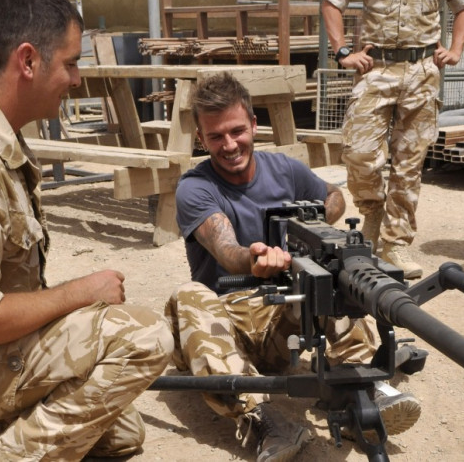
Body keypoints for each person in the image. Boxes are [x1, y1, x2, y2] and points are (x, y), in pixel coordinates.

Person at [0, 0, 173, 461]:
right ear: (27, 61)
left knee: (121, 434)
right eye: (70, 63)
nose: (77, 79)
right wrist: (82, 293)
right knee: (144, 337)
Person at [165, 72, 421, 461]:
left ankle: (363, 390)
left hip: (284, 315)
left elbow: (334, 197)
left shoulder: (283, 169)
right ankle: (265, 421)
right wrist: (257, 258)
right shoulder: (194, 187)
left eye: (237, 131)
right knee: (188, 295)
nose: (229, 145)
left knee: (332, 270)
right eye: (216, 137)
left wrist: (313, 222)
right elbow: (227, 250)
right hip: (227, 322)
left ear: (254, 124)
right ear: (202, 139)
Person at [321, 0, 464, 280]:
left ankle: (396, 242)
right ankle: (373, 211)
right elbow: (331, 0)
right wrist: (341, 52)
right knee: (358, 151)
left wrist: (456, 50)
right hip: (375, 67)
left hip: (422, 71)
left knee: (409, 163)